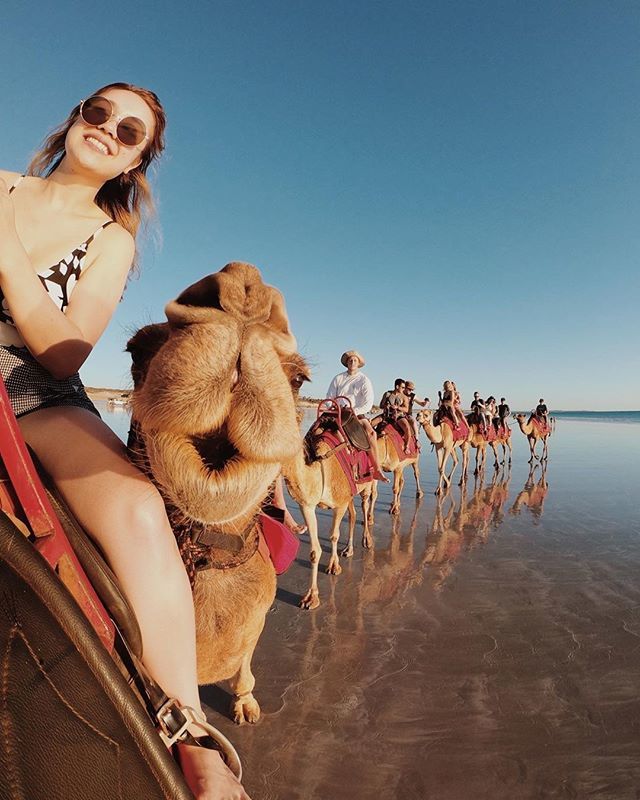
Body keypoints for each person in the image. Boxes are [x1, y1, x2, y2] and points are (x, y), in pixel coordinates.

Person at [0, 83, 249, 800]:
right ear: (76, 117)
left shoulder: (109, 240)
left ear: (138, 161)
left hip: (29, 388)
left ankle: (189, 728)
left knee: (138, 508)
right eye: (99, 113)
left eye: (129, 132)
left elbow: (63, 351)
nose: (108, 130)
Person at [326, 350, 389, 481]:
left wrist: (354, 410)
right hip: (338, 411)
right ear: (346, 363)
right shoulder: (338, 378)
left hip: (356, 413)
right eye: (350, 360)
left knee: (371, 433)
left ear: (358, 363)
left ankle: (377, 468)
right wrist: (333, 407)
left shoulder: (364, 380)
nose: (352, 362)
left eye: (355, 360)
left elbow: (368, 403)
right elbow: (330, 397)